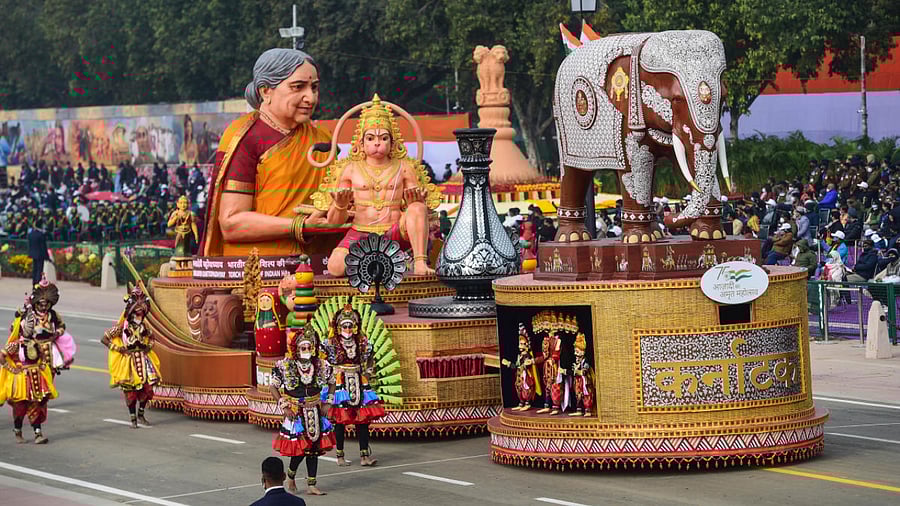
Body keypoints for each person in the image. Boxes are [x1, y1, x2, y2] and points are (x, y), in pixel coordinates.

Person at [200, 48, 333, 257]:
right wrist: (301, 226)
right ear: (265, 91)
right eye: (298, 87)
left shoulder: (322, 140)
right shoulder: (246, 137)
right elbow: (231, 223)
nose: (310, 97)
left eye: (314, 88)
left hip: (316, 267)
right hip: (256, 271)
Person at [319, 94, 435, 277]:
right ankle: (375, 260)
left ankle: (420, 262)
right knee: (335, 267)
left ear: (393, 142)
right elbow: (334, 221)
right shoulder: (349, 169)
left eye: (383, 138)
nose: (377, 143)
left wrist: (418, 201)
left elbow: (418, 209)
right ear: (361, 144)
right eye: (371, 138)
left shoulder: (405, 168)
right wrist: (340, 204)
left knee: (418, 207)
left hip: (395, 231)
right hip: (360, 232)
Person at [0, 277, 75, 444]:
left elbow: (47, 356)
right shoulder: (16, 345)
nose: (31, 327)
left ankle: (38, 433)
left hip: (37, 376)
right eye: (28, 326)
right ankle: (18, 429)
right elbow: (2, 356)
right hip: (21, 381)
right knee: (21, 407)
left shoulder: (41, 338)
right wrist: (13, 370)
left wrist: (48, 365)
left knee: (38, 402)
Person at [270, 324, 333, 496]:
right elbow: (273, 387)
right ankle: (291, 475)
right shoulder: (285, 365)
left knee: (313, 448)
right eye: (302, 347)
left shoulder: (321, 364)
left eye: (309, 347)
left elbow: (332, 381)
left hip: (315, 411)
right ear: (296, 349)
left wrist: (328, 402)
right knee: (300, 449)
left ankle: (312, 484)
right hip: (296, 412)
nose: (306, 350)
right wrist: (284, 406)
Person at [323, 304, 385, 467]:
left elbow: (370, 355)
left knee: (362, 420)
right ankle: (340, 456)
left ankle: (364, 456)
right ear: (338, 327)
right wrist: (328, 375)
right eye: (345, 325)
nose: (348, 329)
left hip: (359, 381)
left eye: (351, 325)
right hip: (339, 382)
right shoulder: (330, 343)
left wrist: (368, 372)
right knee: (340, 420)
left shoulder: (361, 341)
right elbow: (320, 359)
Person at [101, 286, 161, 428]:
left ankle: (141, 414)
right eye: (137, 310)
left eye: (141, 310)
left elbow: (153, 339)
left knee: (147, 389)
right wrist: (119, 349)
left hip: (143, 360)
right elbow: (104, 339)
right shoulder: (122, 327)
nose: (139, 312)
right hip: (129, 362)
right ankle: (133, 419)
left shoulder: (145, 327)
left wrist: (148, 347)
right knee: (130, 392)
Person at [27, 218, 49, 287]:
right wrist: (47, 256)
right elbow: (43, 247)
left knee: (35, 270)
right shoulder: (41, 235)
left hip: (33, 254)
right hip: (40, 255)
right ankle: (37, 284)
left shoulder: (31, 234)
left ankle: (34, 284)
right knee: (39, 271)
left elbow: (30, 245)